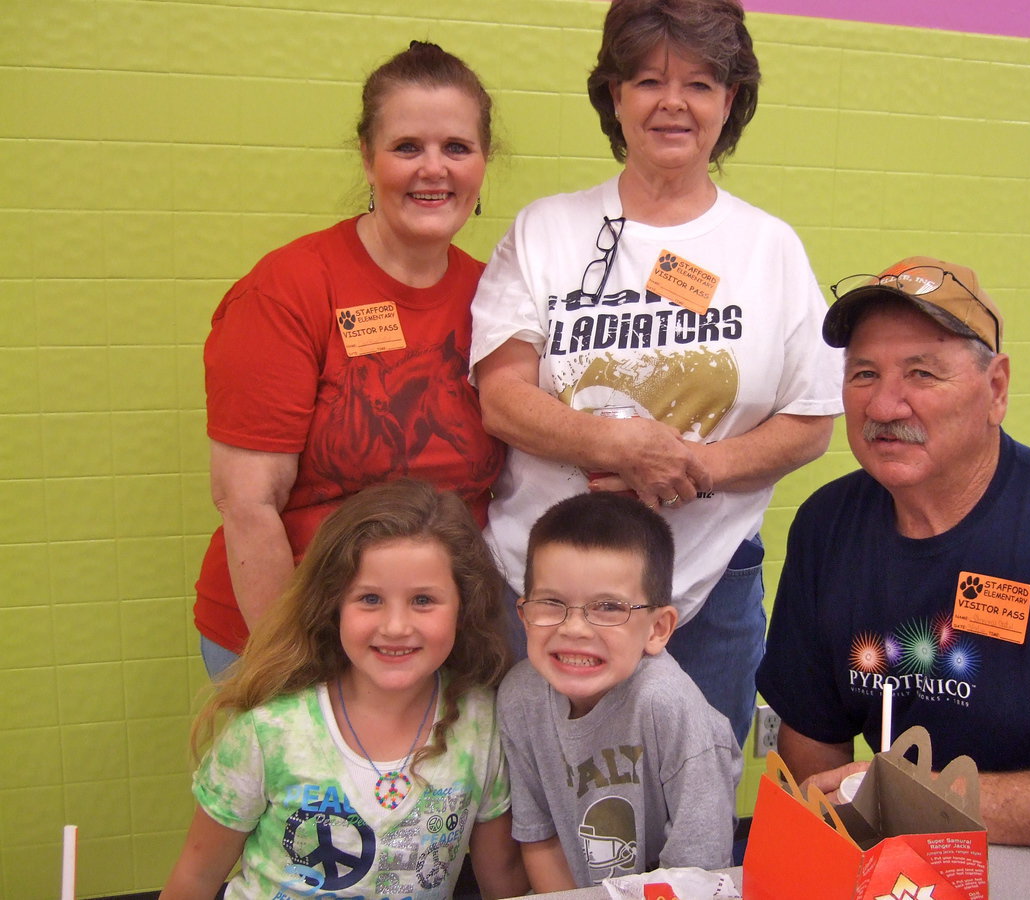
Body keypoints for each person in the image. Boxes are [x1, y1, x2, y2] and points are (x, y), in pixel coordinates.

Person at [470, 0, 842, 745]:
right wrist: (612, 447)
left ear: (730, 102)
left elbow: (810, 422)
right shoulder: (547, 229)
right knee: (529, 802)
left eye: (700, 85)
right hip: (542, 592)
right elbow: (502, 398)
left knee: (691, 802)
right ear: (615, 96)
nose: (673, 103)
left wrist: (695, 466)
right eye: (647, 80)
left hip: (705, 589)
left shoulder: (769, 248)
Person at [756, 256, 1030, 858]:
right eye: (864, 373)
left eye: (922, 373)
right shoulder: (828, 526)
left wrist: (927, 802)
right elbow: (812, 742)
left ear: (996, 390)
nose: (885, 407)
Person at [194, 41, 504, 678]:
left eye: (456, 148)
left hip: (442, 639)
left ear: (482, 162)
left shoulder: (496, 297)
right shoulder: (289, 289)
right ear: (367, 157)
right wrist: (296, 675)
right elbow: (247, 505)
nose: (433, 170)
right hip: (295, 632)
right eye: (407, 147)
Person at [160, 479, 528, 899]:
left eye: (423, 600)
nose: (395, 627)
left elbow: (504, 878)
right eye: (370, 599)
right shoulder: (269, 733)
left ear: (465, 606)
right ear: (333, 605)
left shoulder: (483, 724)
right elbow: (195, 877)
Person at [497, 492, 742, 891]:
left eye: (608, 607)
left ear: (658, 629)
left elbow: (697, 872)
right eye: (551, 603)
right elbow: (540, 840)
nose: (574, 629)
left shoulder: (668, 705)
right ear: (524, 616)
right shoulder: (519, 698)